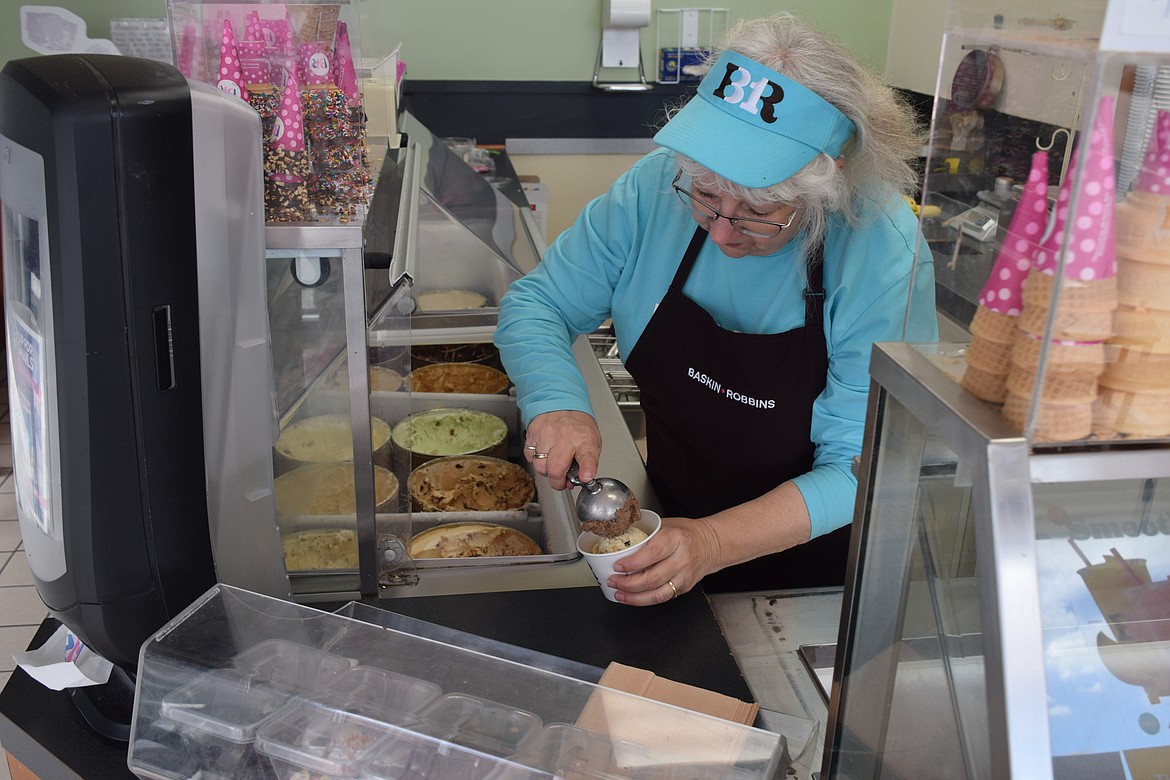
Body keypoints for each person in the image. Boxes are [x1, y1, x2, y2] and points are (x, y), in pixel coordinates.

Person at [494, 12, 937, 604]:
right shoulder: (654, 190)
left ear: (826, 189)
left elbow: (867, 466)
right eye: (705, 195)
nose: (724, 232)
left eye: (760, 210)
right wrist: (556, 403)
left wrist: (711, 543)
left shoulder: (883, 252)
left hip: (822, 574)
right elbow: (539, 302)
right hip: (673, 514)